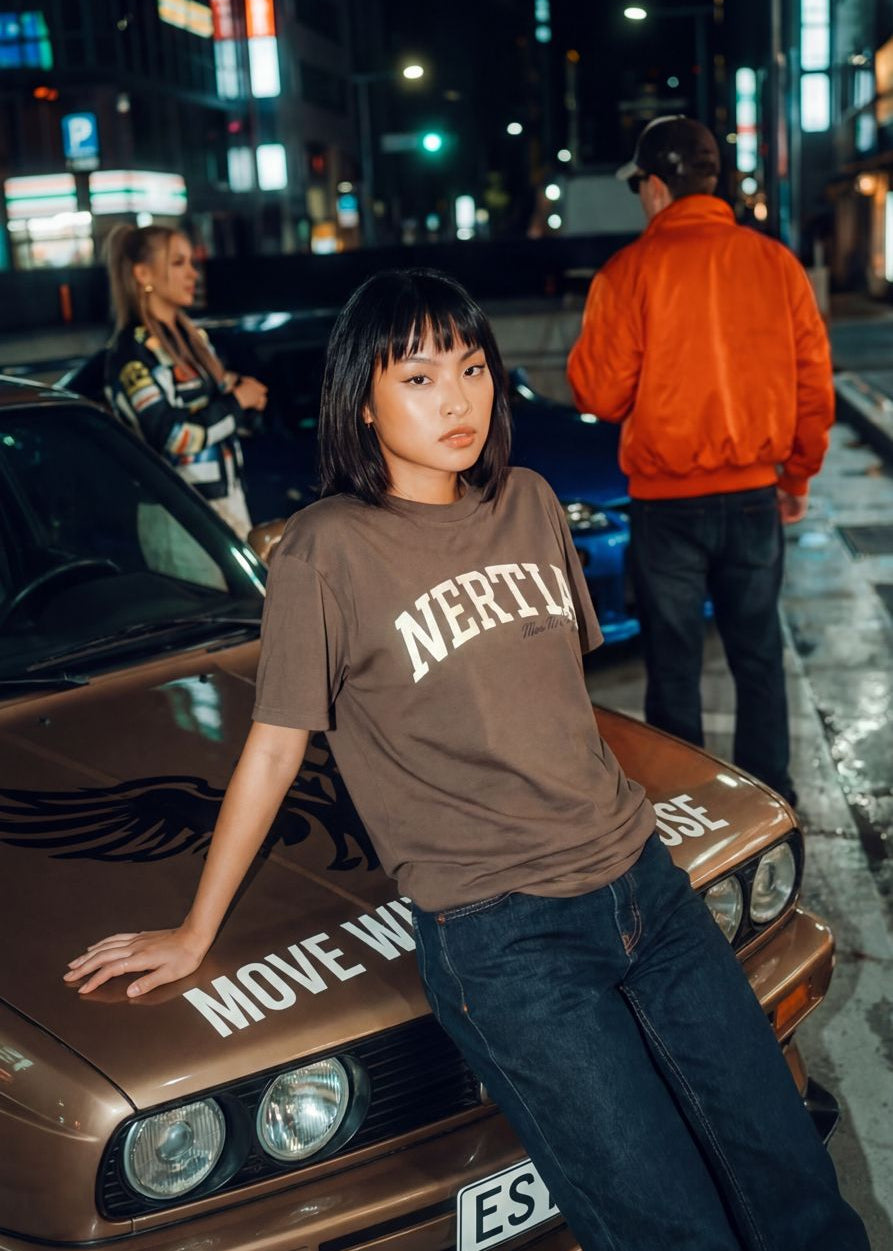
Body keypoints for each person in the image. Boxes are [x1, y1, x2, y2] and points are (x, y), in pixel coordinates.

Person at [66, 270, 867, 1251]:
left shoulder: (527, 502)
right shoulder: (326, 551)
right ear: (361, 399)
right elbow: (274, 749)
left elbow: (557, 700)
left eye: (472, 367)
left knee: (789, 1176)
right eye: (417, 377)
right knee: (665, 1225)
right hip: (507, 944)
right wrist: (196, 931)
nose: (457, 399)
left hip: (643, 892)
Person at [567, 117, 835, 806]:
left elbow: (597, 392)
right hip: (753, 495)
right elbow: (812, 383)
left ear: (654, 187)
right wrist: (796, 474)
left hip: (663, 503)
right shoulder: (775, 264)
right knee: (756, 655)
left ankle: (681, 804)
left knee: (673, 661)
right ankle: (770, 798)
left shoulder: (629, 273)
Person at [104, 224, 268, 539]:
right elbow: (171, 435)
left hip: (226, 503)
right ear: (143, 274)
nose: (193, 274)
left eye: (191, 262)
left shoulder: (194, 341)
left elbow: (230, 420)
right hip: (178, 520)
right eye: (178, 263)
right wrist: (237, 402)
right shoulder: (132, 353)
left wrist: (248, 404)